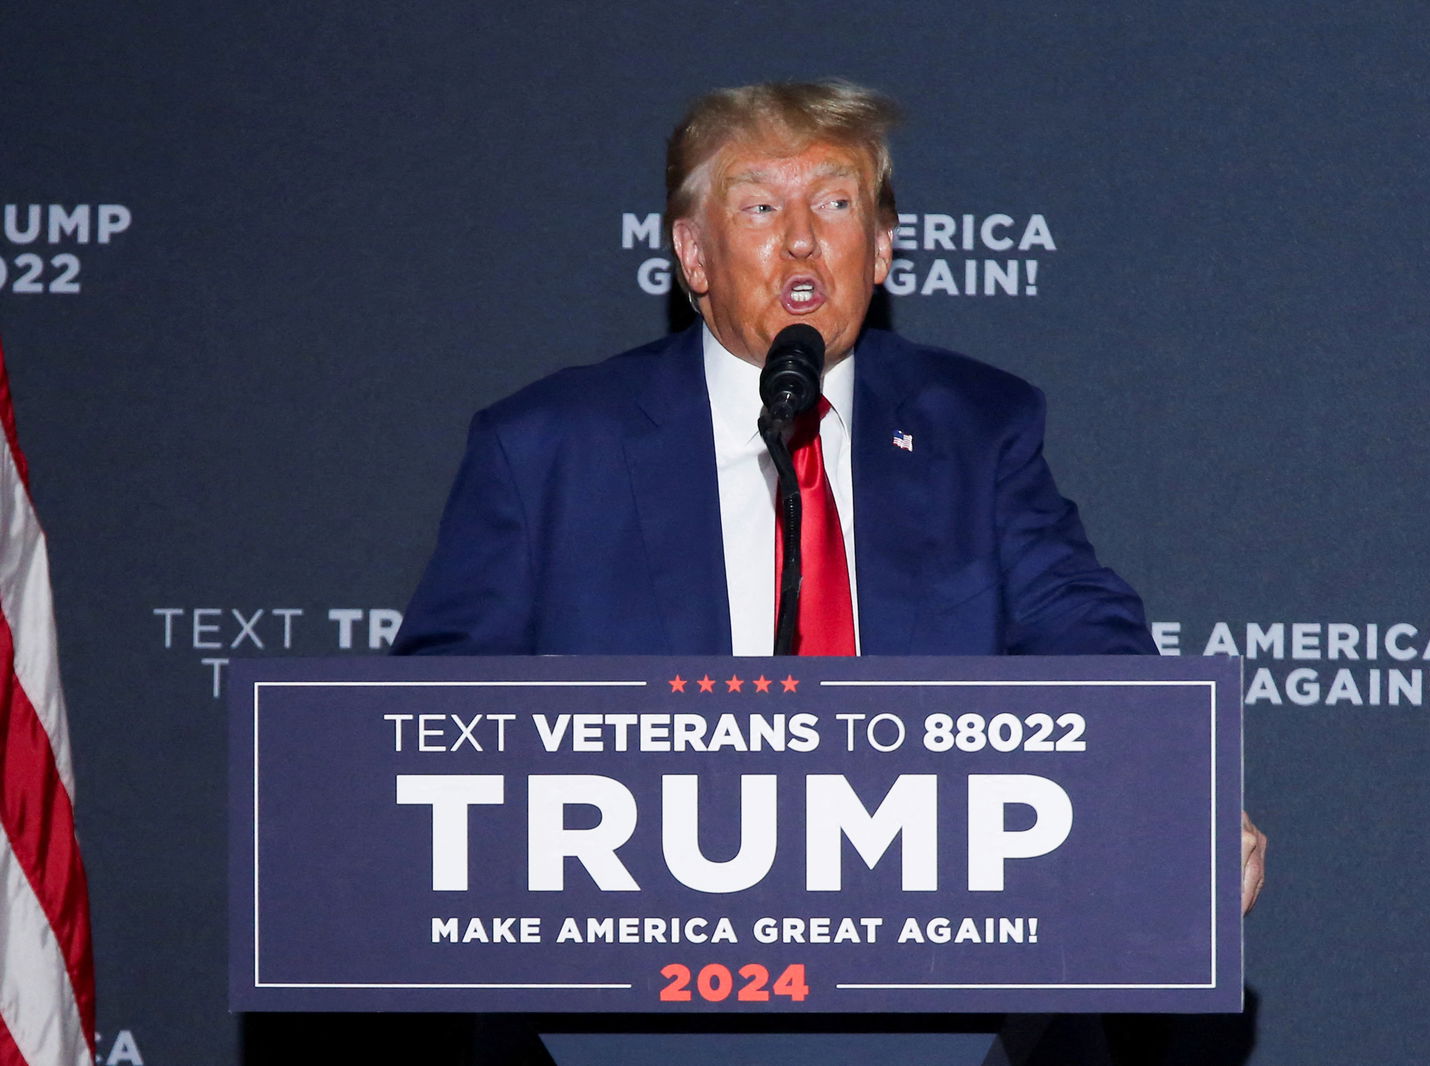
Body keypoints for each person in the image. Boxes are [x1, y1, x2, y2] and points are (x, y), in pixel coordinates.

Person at [394, 79, 1265, 1064]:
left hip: (947, 997)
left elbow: (1083, 635)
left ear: (883, 246)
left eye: (838, 203)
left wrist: (1168, 781)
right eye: (761, 206)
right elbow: (436, 722)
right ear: (692, 255)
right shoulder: (545, 446)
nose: (803, 241)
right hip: (619, 1007)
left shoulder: (976, 426)